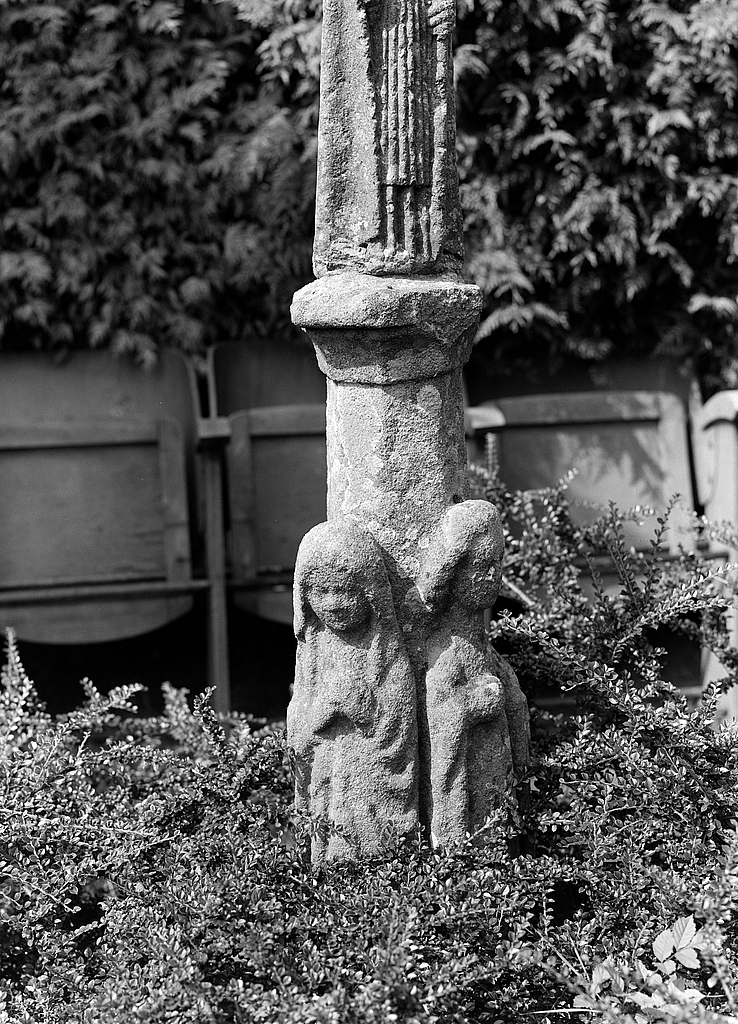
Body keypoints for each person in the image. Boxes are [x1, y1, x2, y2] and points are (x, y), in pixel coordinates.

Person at [287, 519, 418, 861]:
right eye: (321, 592)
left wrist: (365, 710)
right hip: (327, 785)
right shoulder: (313, 650)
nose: (334, 603)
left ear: (370, 592)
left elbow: (400, 732)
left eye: (345, 590)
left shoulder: (385, 651)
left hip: (372, 791)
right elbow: (299, 727)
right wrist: (321, 712)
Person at [413, 500, 530, 846]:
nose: (493, 576)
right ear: (452, 573)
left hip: (496, 779)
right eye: (481, 566)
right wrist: (471, 704)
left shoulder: (484, 650)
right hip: (471, 799)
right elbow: (439, 724)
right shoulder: (446, 653)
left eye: (497, 563)